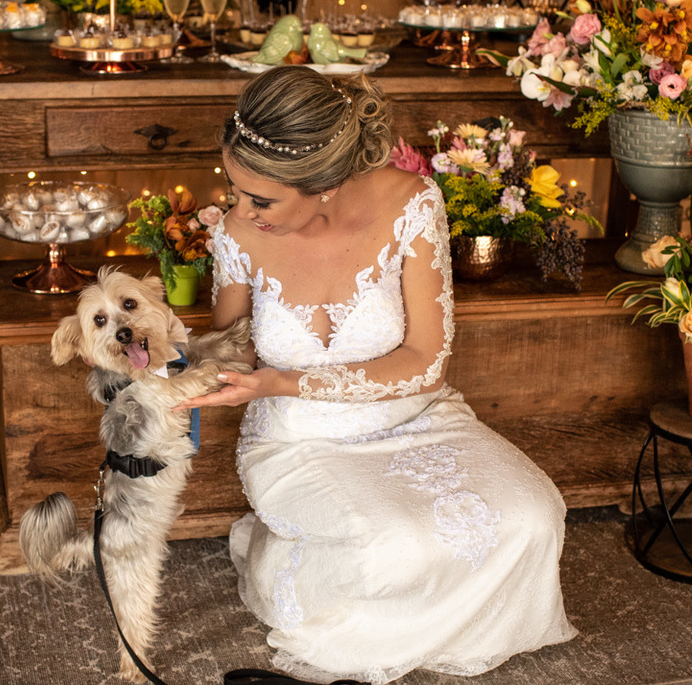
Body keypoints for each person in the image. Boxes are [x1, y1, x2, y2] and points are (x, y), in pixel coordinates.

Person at [179, 66, 576, 684]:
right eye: (234, 190)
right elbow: (230, 353)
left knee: (534, 515)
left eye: (260, 199)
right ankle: (296, 565)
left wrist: (285, 380)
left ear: (326, 184)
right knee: (389, 549)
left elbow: (425, 360)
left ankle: (437, 621)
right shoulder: (238, 234)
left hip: (417, 416)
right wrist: (171, 364)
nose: (239, 211)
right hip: (298, 439)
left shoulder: (413, 204)